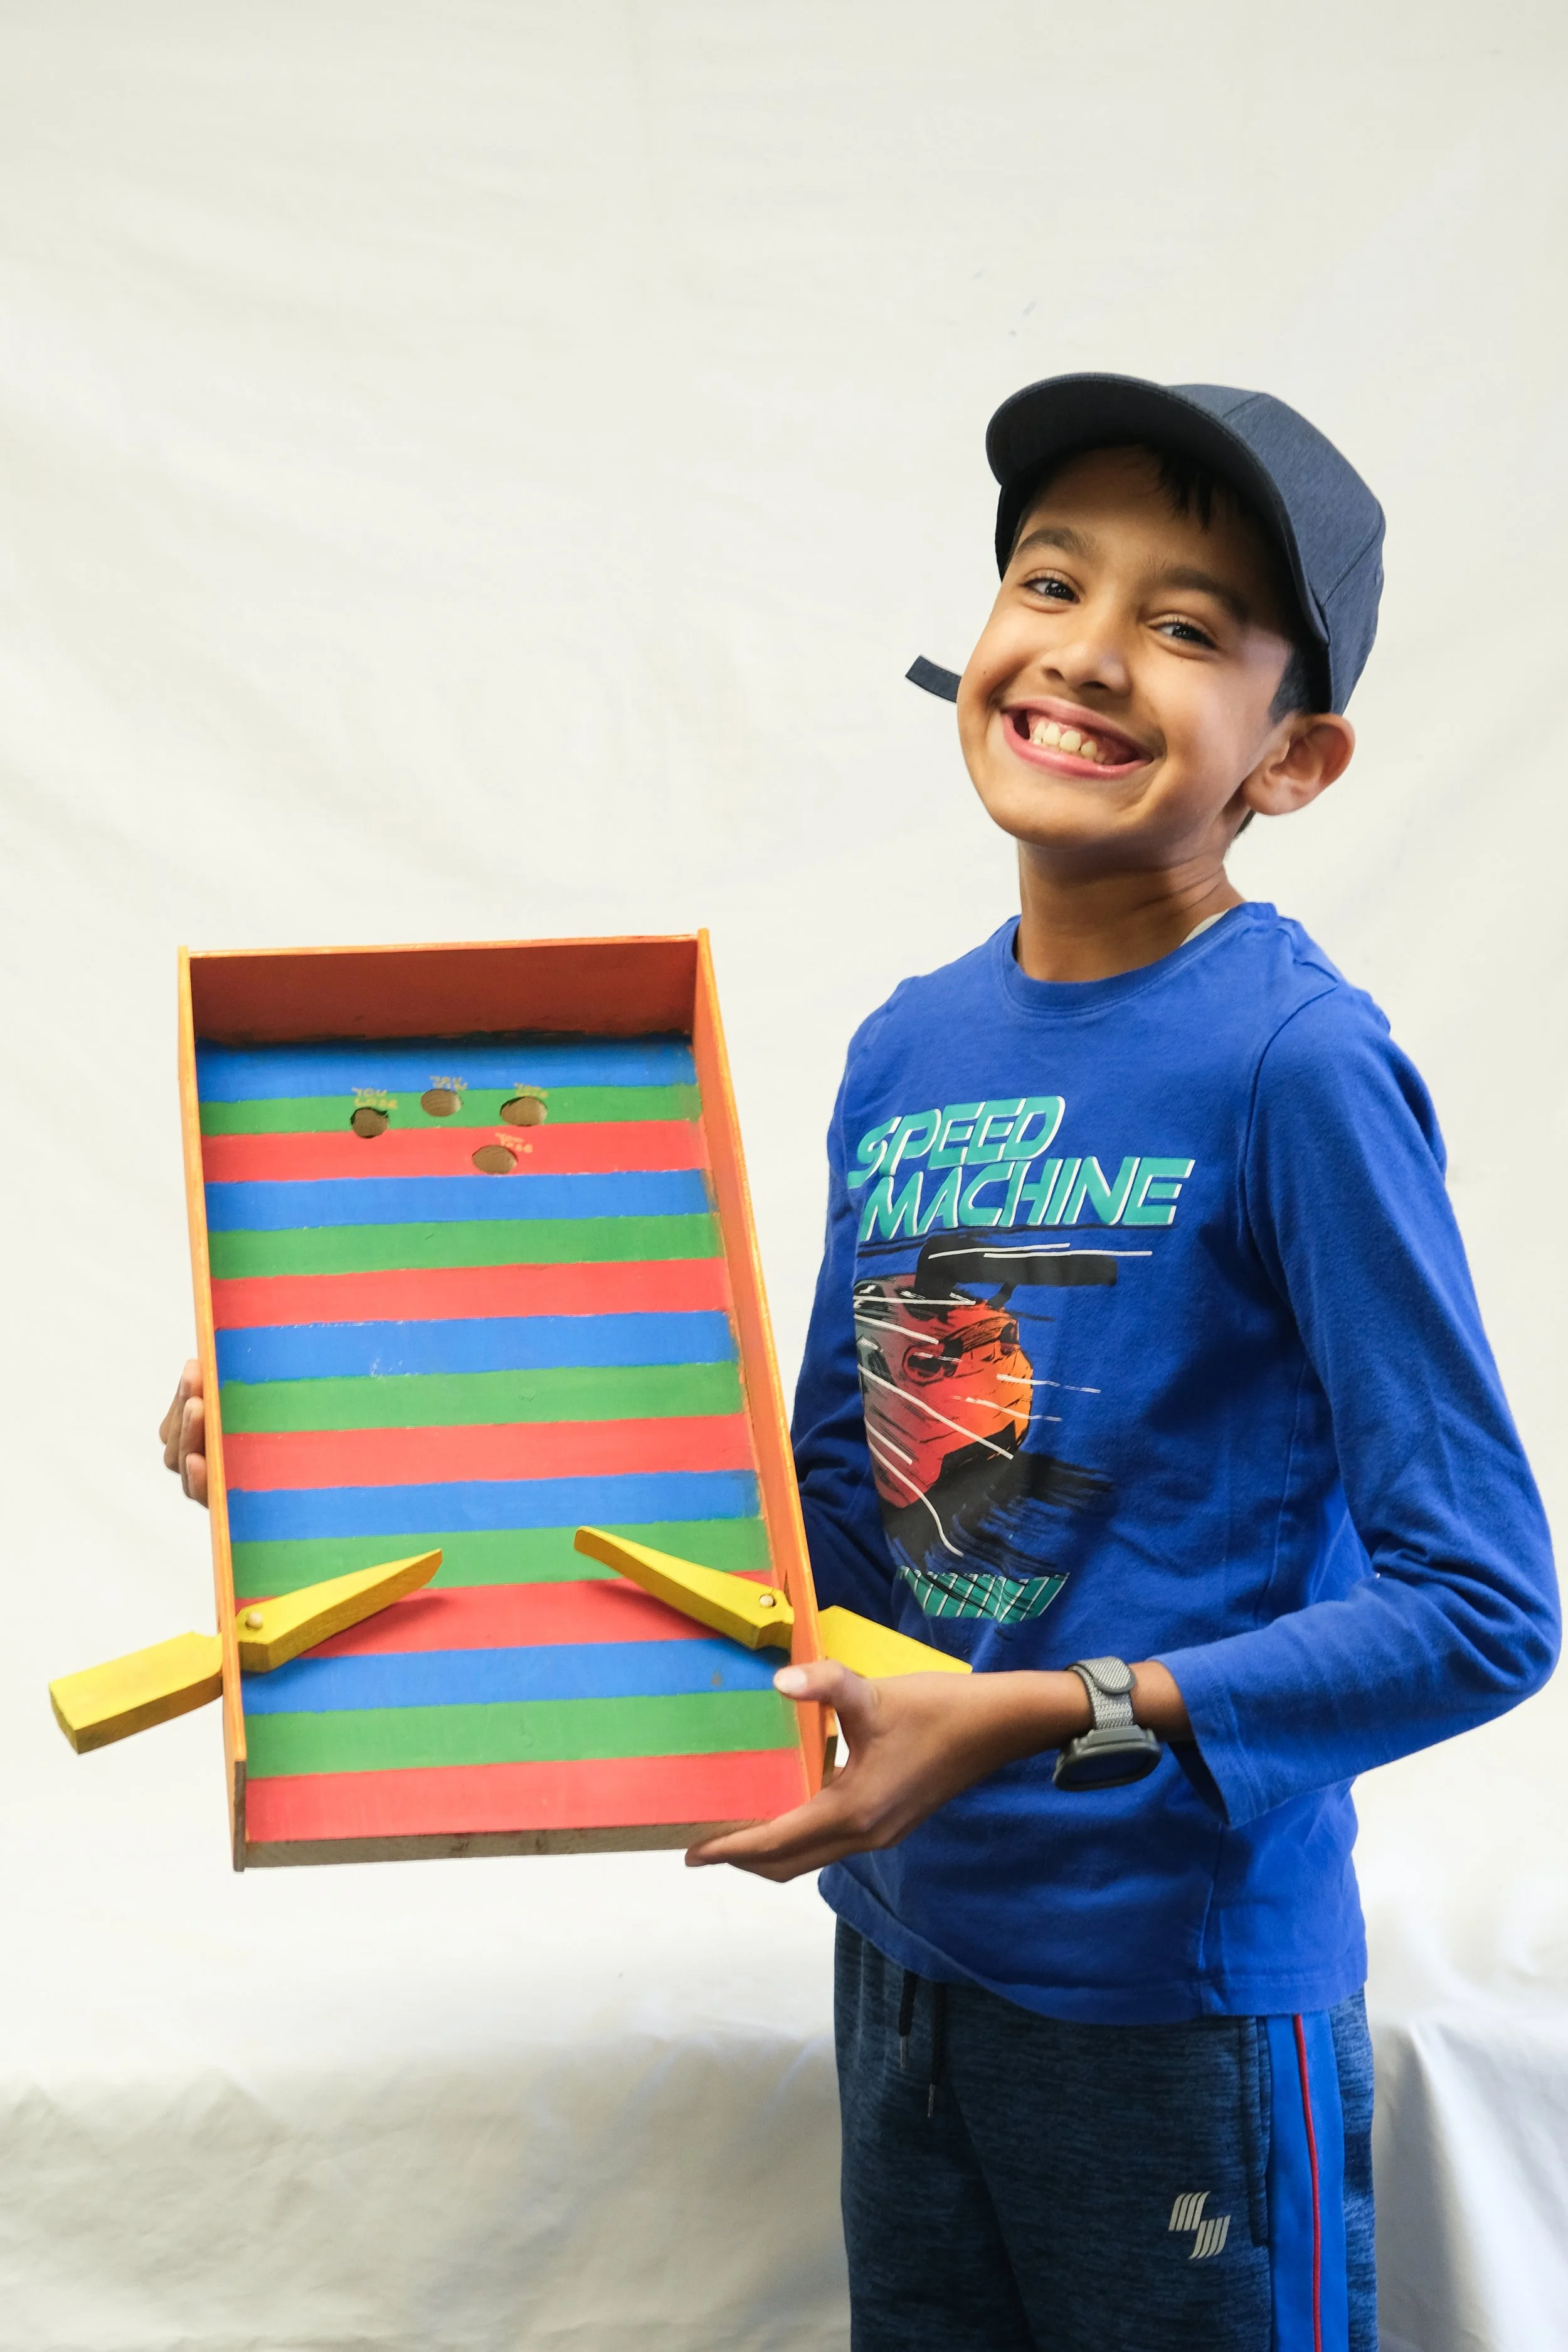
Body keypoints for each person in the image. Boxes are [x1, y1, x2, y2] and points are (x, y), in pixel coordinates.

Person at [160, 374, 1559, 2351]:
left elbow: (1483, 1607)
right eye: (1048, 580)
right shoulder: (905, 1050)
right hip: (900, 1952)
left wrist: (1036, 1715)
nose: (1083, 650)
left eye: (1181, 624)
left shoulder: (1295, 1067)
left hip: (1173, 1999)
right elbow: (817, 1505)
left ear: (1298, 754)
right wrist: (357, 1441)